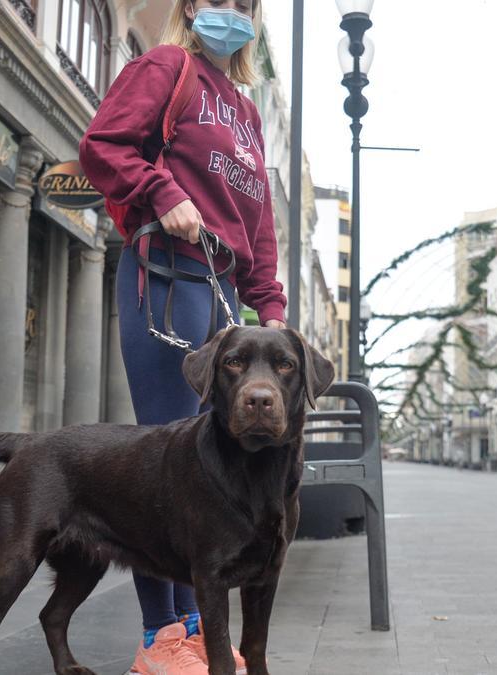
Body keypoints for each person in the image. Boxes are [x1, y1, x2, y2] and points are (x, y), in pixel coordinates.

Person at [79, 1, 285, 673]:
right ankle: (159, 634)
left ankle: (197, 624)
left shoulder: (248, 114)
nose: (233, 11)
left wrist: (269, 307)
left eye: (246, 4)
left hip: (224, 299)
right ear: (192, 8)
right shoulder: (167, 67)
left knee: (211, 469)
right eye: (219, 0)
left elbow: (258, 228)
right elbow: (102, 145)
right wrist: (160, 189)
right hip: (166, 278)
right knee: (165, 465)